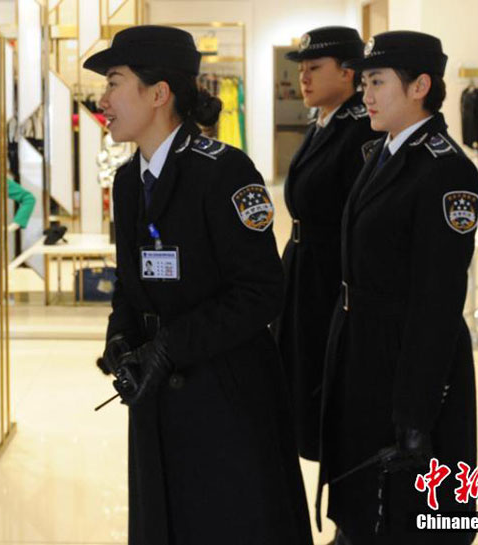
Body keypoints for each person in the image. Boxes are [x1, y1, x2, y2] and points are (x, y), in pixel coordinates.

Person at [85, 25, 313, 544]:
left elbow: (261, 291)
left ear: (158, 93)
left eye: (115, 83)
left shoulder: (225, 172)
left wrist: (171, 345)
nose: (103, 101)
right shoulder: (127, 180)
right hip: (155, 391)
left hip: (224, 392)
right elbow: (131, 276)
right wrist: (120, 337)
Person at [317, 31, 478, 545]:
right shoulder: (383, 152)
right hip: (364, 351)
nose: (365, 94)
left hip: (407, 363)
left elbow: (438, 299)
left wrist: (415, 411)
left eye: (377, 81)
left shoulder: (445, 170)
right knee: (364, 500)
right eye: (364, 81)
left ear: (420, 86)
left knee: (405, 512)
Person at [276, 26, 380, 461]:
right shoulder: (324, 121)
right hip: (303, 264)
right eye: (301, 68)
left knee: (324, 375)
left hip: (330, 273)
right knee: (296, 366)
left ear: (348, 72)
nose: (304, 77)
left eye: (315, 67)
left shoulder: (360, 129)